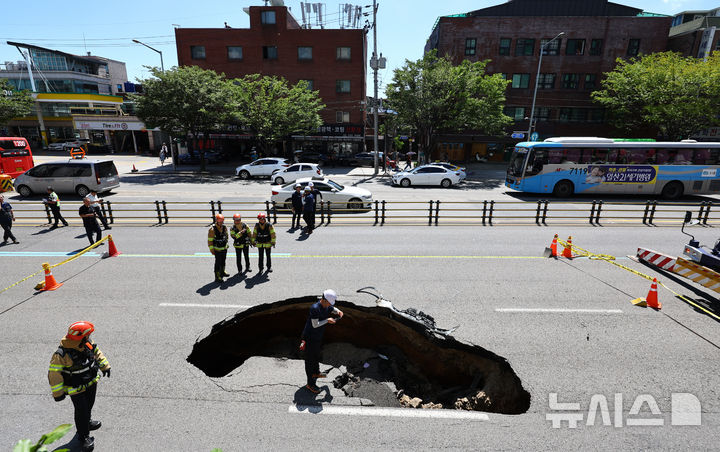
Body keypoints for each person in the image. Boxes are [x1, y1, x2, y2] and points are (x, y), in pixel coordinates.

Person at [48, 321, 110, 452]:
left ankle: (86, 422)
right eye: (87, 335)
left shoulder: (86, 344)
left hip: (91, 382)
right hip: (75, 388)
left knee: (89, 405)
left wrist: (105, 366)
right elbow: (54, 374)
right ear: (79, 337)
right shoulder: (62, 354)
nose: (89, 338)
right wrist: (58, 394)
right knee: (81, 410)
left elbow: (97, 352)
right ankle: (83, 437)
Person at [301, 289, 343, 393]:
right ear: (324, 300)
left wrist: (338, 311)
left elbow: (332, 308)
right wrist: (327, 321)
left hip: (317, 338)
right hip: (310, 338)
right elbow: (315, 324)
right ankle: (310, 384)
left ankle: (316, 373)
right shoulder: (315, 308)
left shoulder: (326, 305)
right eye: (329, 303)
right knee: (310, 361)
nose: (330, 305)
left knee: (316, 356)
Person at [208, 214, 229, 282]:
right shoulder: (212, 229)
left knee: (223, 261)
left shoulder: (224, 227)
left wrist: (226, 244)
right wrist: (212, 250)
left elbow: (226, 236)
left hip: (224, 248)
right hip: (217, 249)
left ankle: (222, 272)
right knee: (218, 263)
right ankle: (217, 276)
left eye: (222, 221)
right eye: (219, 221)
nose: (221, 222)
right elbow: (210, 241)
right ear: (216, 221)